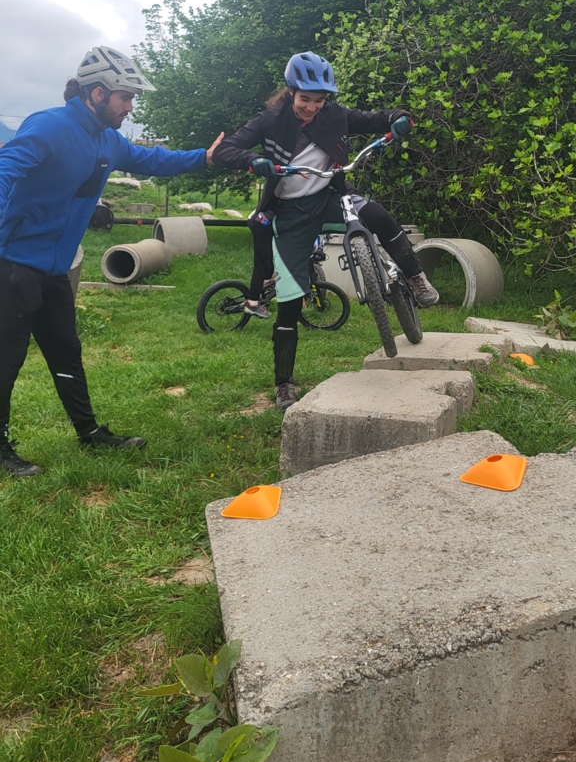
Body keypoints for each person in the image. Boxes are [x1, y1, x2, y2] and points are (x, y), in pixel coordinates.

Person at [0, 46, 225, 478]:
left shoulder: (108, 140)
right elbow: (5, 168)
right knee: (6, 360)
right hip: (13, 263)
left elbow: (153, 159)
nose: (130, 106)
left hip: (54, 268)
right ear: (98, 93)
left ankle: (89, 433)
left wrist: (205, 157)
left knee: (66, 352)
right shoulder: (49, 125)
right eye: (126, 97)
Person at [212, 50, 438, 409]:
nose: (312, 107)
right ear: (290, 92)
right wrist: (253, 160)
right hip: (290, 213)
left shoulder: (335, 116)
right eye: (305, 99)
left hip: (332, 196)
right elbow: (226, 149)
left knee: (377, 214)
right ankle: (284, 383)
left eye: (319, 100)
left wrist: (399, 119)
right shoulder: (270, 120)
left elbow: (378, 118)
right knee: (289, 302)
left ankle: (415, 278)